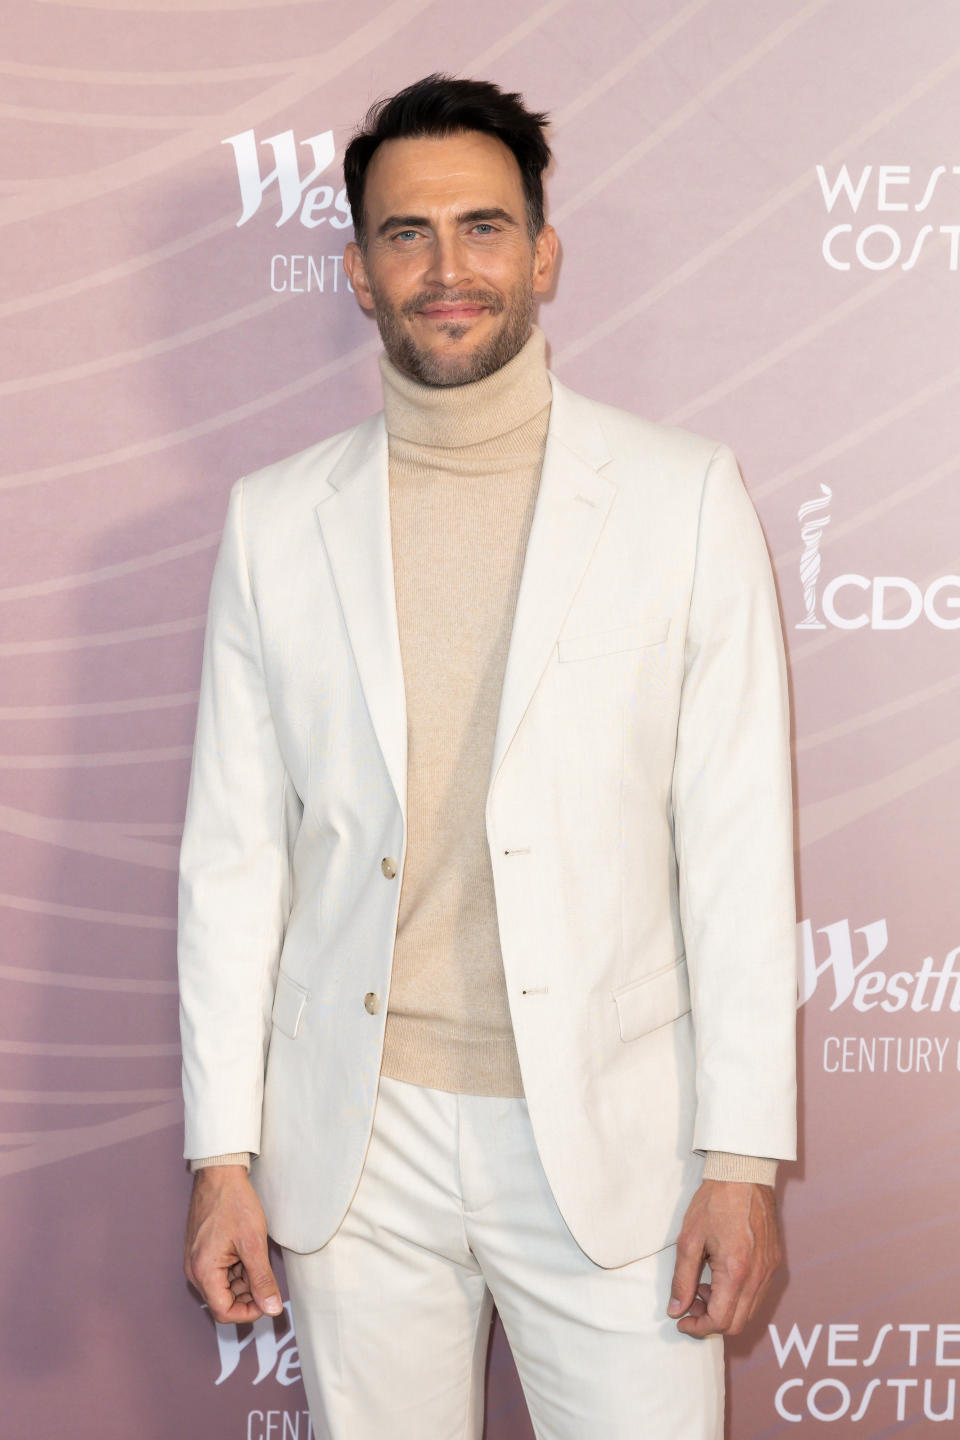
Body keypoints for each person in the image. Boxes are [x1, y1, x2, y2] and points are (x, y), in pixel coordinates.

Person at [179, 73, 797, 1439]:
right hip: (357, 1147)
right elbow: (236, 860)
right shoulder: (276, 524)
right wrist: (222, 1155)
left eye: (482, 226)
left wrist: (740, 1160)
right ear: (354, 270)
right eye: (406, 234)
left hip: (612, 1142)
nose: (446, 269)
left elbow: (739, 850)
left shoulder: (681, 498)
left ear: (542, 252)